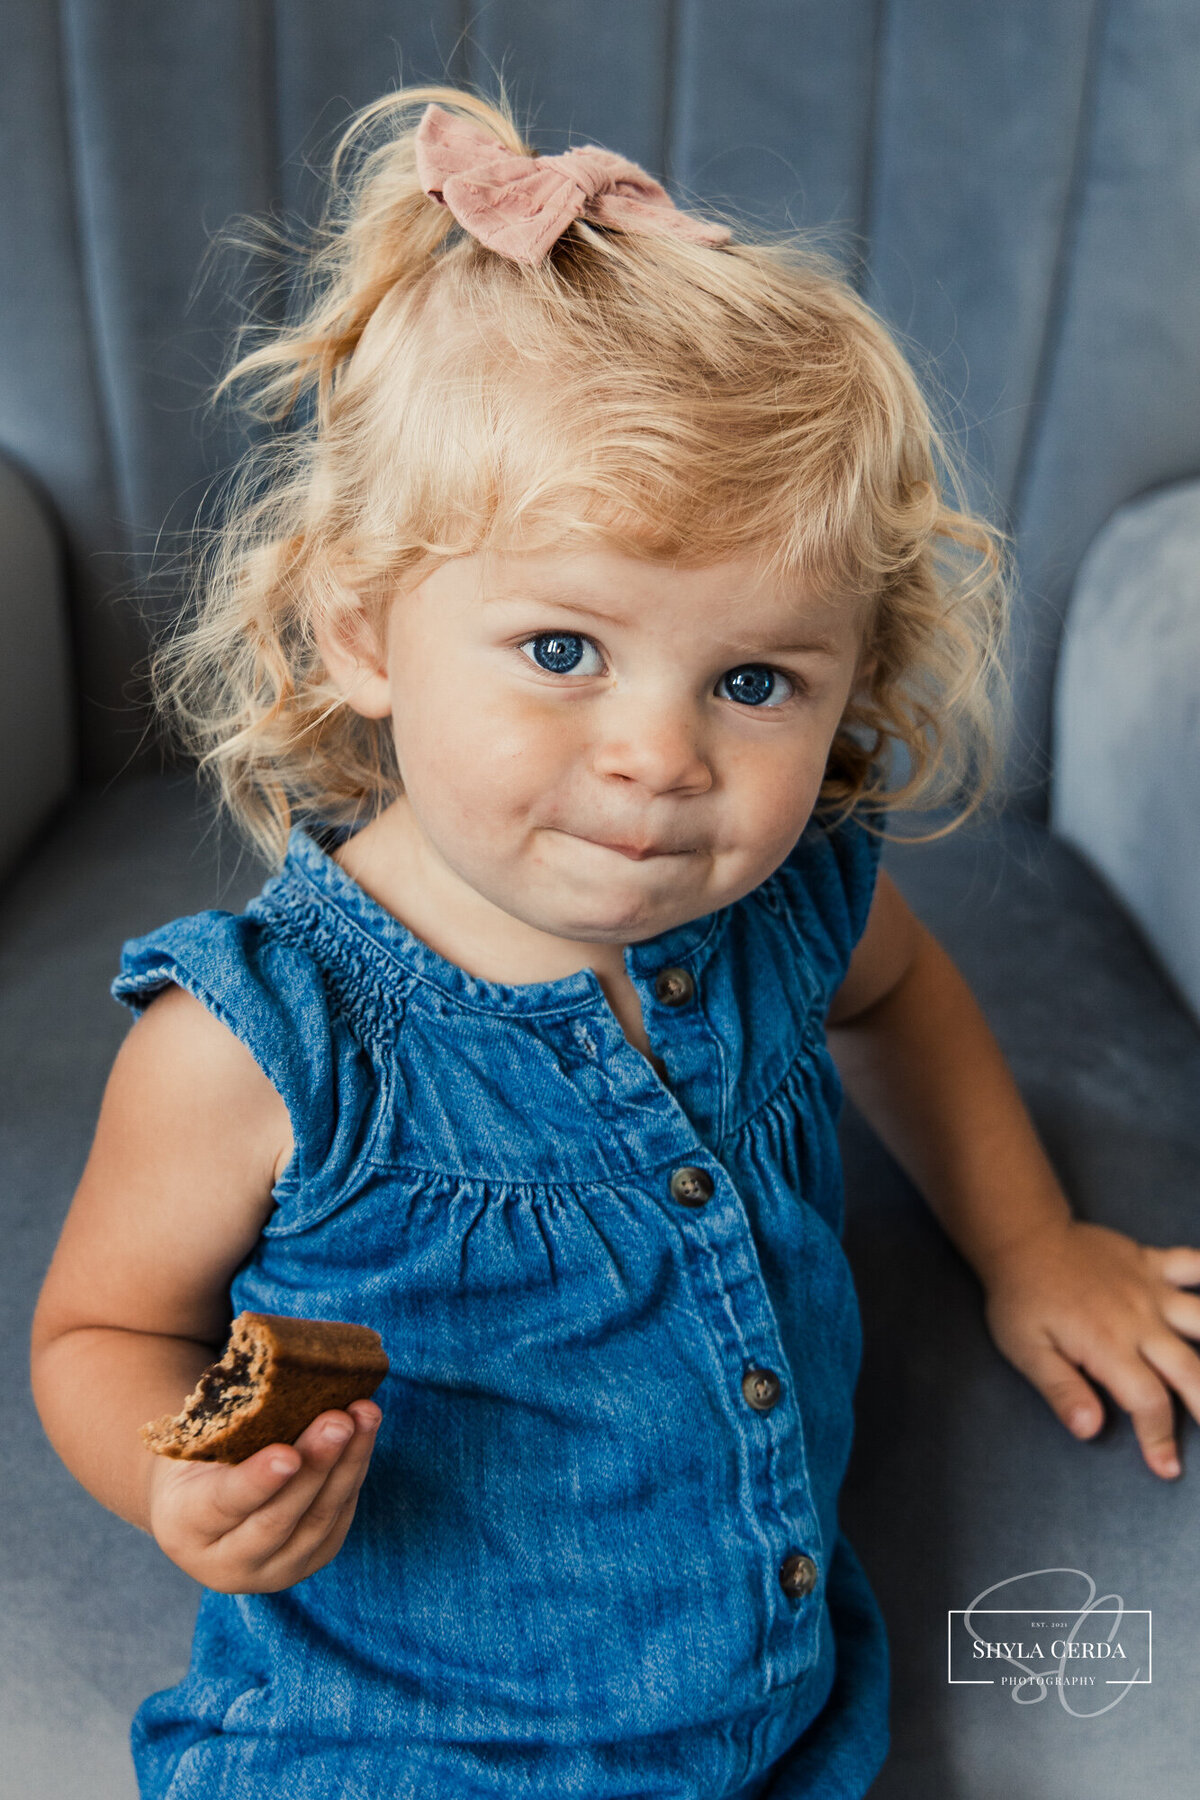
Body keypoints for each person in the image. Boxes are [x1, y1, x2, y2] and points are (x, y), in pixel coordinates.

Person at [29, 81, 1200, 1800]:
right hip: (390, 1754)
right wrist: (181, 1489)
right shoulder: (262, 1040)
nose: (662, 756)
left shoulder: (789, 902)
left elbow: (904, 992)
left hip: (787, 1714)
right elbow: (98, 1337)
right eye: (564, 649)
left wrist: (1032, 1245)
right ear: (360, 626)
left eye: (752, 681)